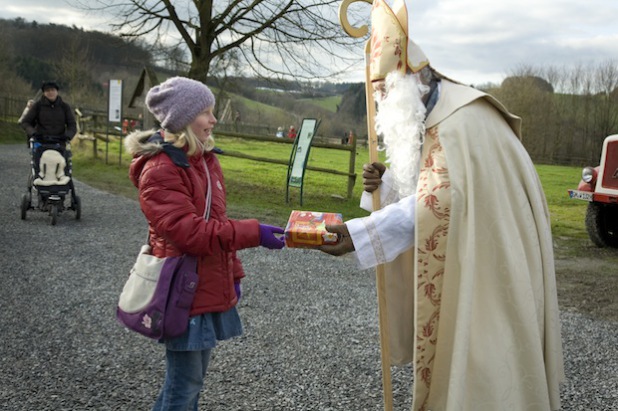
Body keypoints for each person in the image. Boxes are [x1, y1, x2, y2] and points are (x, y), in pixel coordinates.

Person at [320, 1, 564, 410]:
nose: (380, 101)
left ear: (412, 82)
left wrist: (361, 234)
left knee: (484, 375)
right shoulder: (436, 117)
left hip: (486, 272)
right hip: (468, 257)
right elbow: (428, 188)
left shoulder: (460, 123)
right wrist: (385, 185)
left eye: (384, 91)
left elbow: (439, 204)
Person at [124, 76, 286, 411]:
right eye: (206, 112)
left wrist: (234, 275)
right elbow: (192, 234)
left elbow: (218, 224)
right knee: (184, 385)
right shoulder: (160, 170)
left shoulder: (205, 162)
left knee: (187, 384)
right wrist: (254, 232)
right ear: (182, 119)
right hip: (182, 289)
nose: (214, 120)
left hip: (204, 287)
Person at [20, 81, 77, 146]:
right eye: (47, 91)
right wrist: (33, 133)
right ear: (44, 93)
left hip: (60, 142)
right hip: (40, 142)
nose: (50, 92)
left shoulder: (65, 107)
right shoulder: (37, 106)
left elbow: (72, 125)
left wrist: (67, 136)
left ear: (57, 92)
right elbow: (25, 122)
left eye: (53, 90)